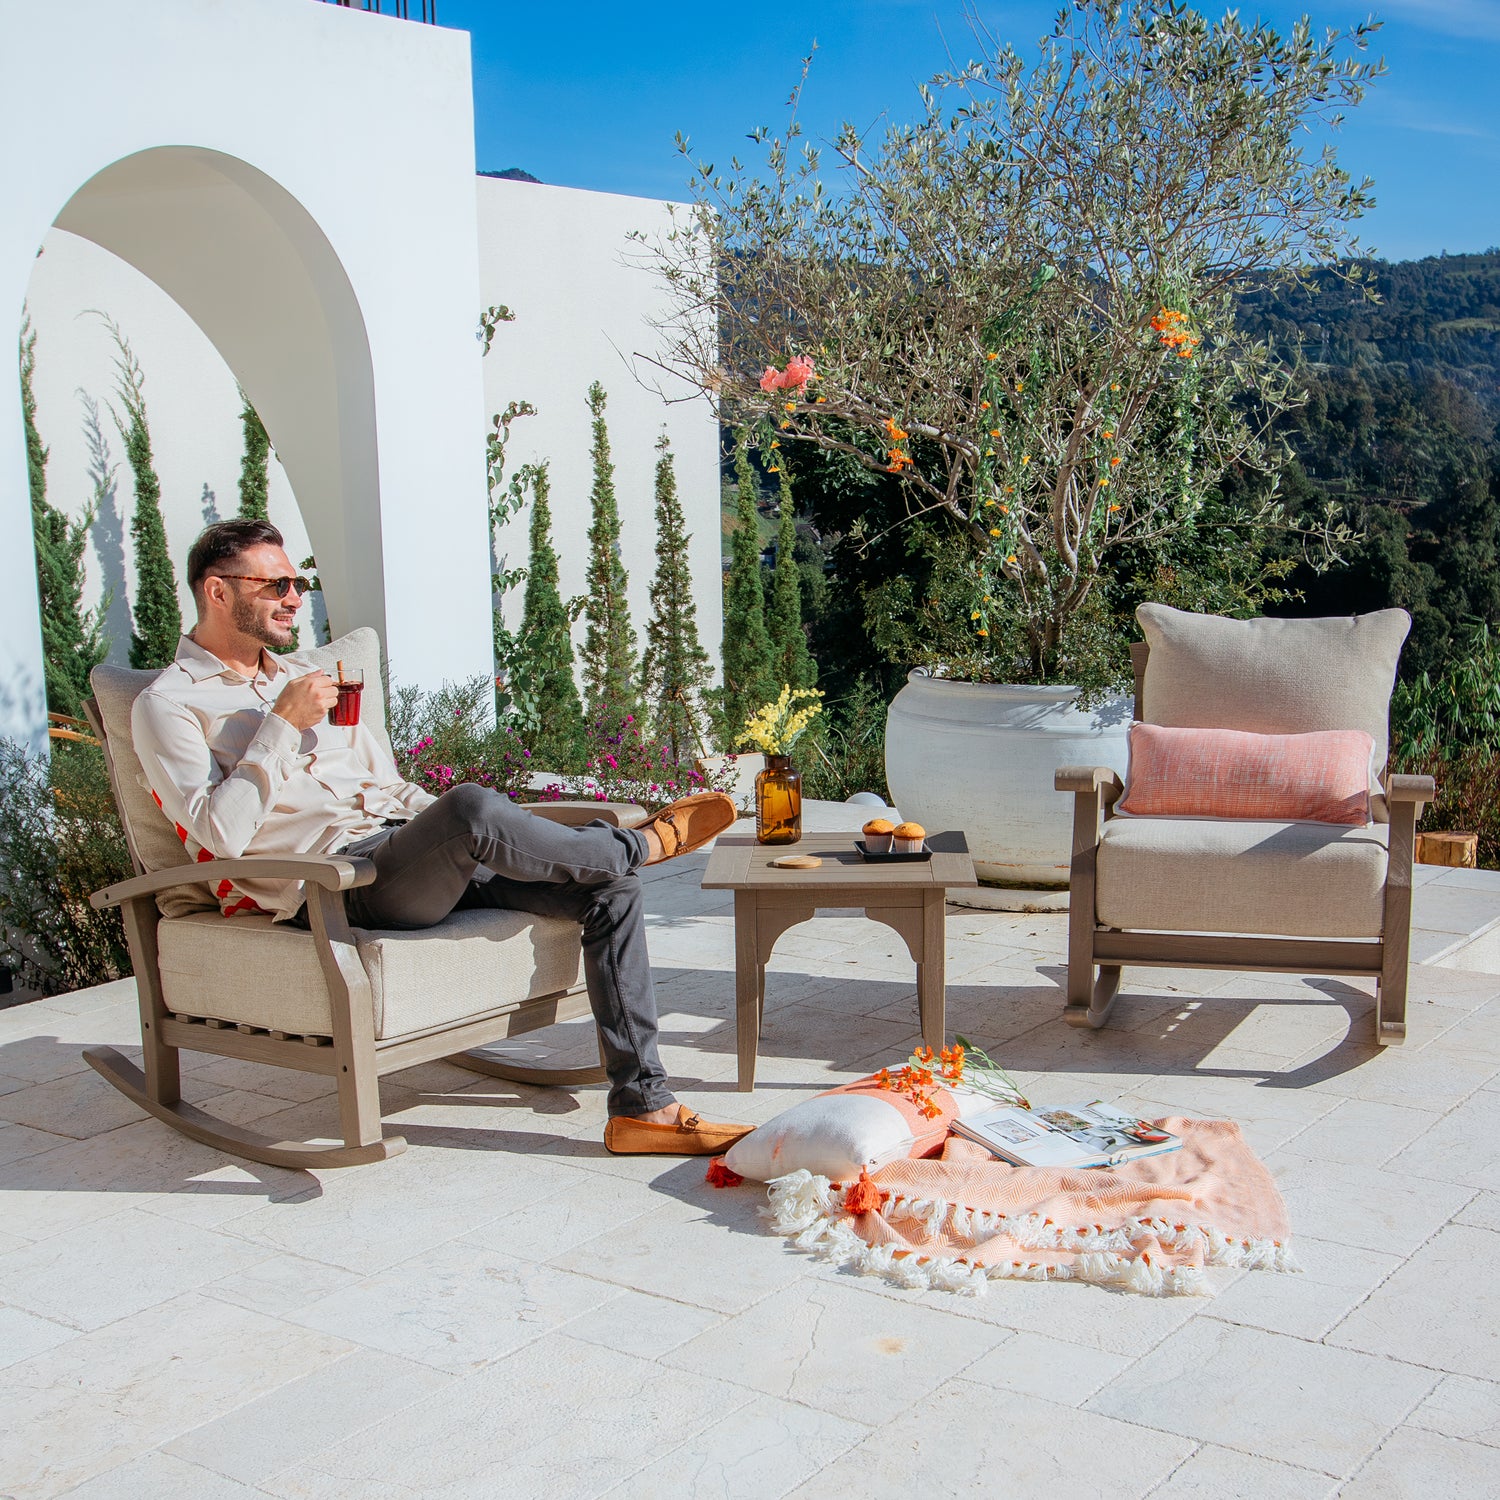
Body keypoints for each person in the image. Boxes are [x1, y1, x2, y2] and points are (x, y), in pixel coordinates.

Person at [132, 519, 749, 1157]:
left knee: (609, 891)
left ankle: (643, 1106)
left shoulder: (306, 674)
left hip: (412, 853)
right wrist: (282, 725)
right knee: (477, 807)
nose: (294, 598)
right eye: (276, 585)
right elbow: (219, 835)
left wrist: (461, 832)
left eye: (298, 584)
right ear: (218, 591)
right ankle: (638, 844)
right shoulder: (168, 704)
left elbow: (391, 788)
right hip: (339, 881)